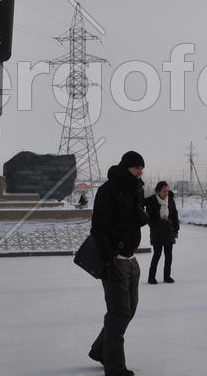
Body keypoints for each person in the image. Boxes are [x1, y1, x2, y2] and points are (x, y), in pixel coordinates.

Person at [88, 151, 149, 376]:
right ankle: (115, 367)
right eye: (136, 167)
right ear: (125, 167)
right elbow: (99, 229)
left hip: (131, 259)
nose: (140, 171)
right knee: (118, 313)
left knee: (129, 311)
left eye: (141, 168)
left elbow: (133, 217)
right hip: (114, 259)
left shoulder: (137, 189)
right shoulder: (108, 190)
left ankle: (99, 350)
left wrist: (141, 217)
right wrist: (108, 260)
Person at [144, 181, 180, 284]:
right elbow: (150, 218)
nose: (166, 194)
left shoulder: (170, 200)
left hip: (169, 231)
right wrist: (157, 226)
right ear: (158, 191)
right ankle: (151, 278)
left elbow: (174, 215)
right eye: (164, 191)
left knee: (169, 255)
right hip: (157, 232)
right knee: (157, 255)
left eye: (167, 191)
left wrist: (176, 229)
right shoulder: (152, 201)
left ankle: (167, 277)